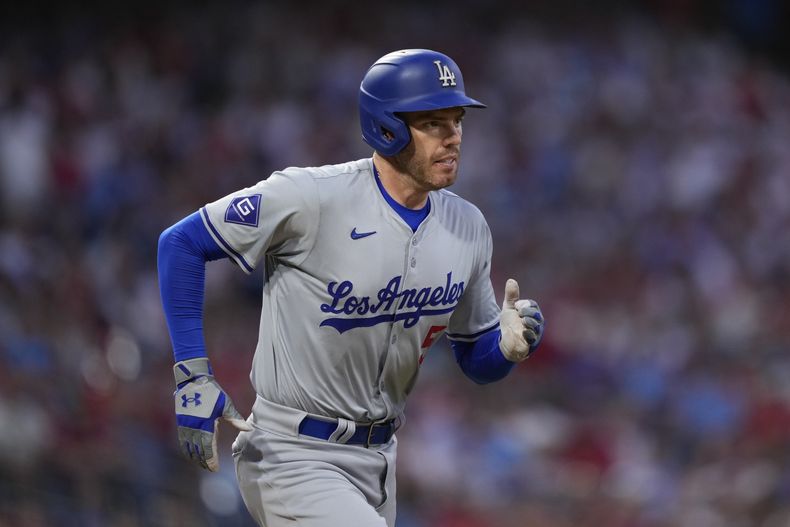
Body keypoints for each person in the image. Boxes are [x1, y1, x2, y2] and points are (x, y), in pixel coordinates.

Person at [157, 48, 545, 527]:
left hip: (381, 460)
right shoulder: (312, 198)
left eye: (458, 120)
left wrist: (504, 349)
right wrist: (192, 372)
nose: (454, 138)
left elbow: (474, 359)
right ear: (388, 128)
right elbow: (181, 244)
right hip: (291, 452)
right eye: (434, 123)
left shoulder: (467, 226)